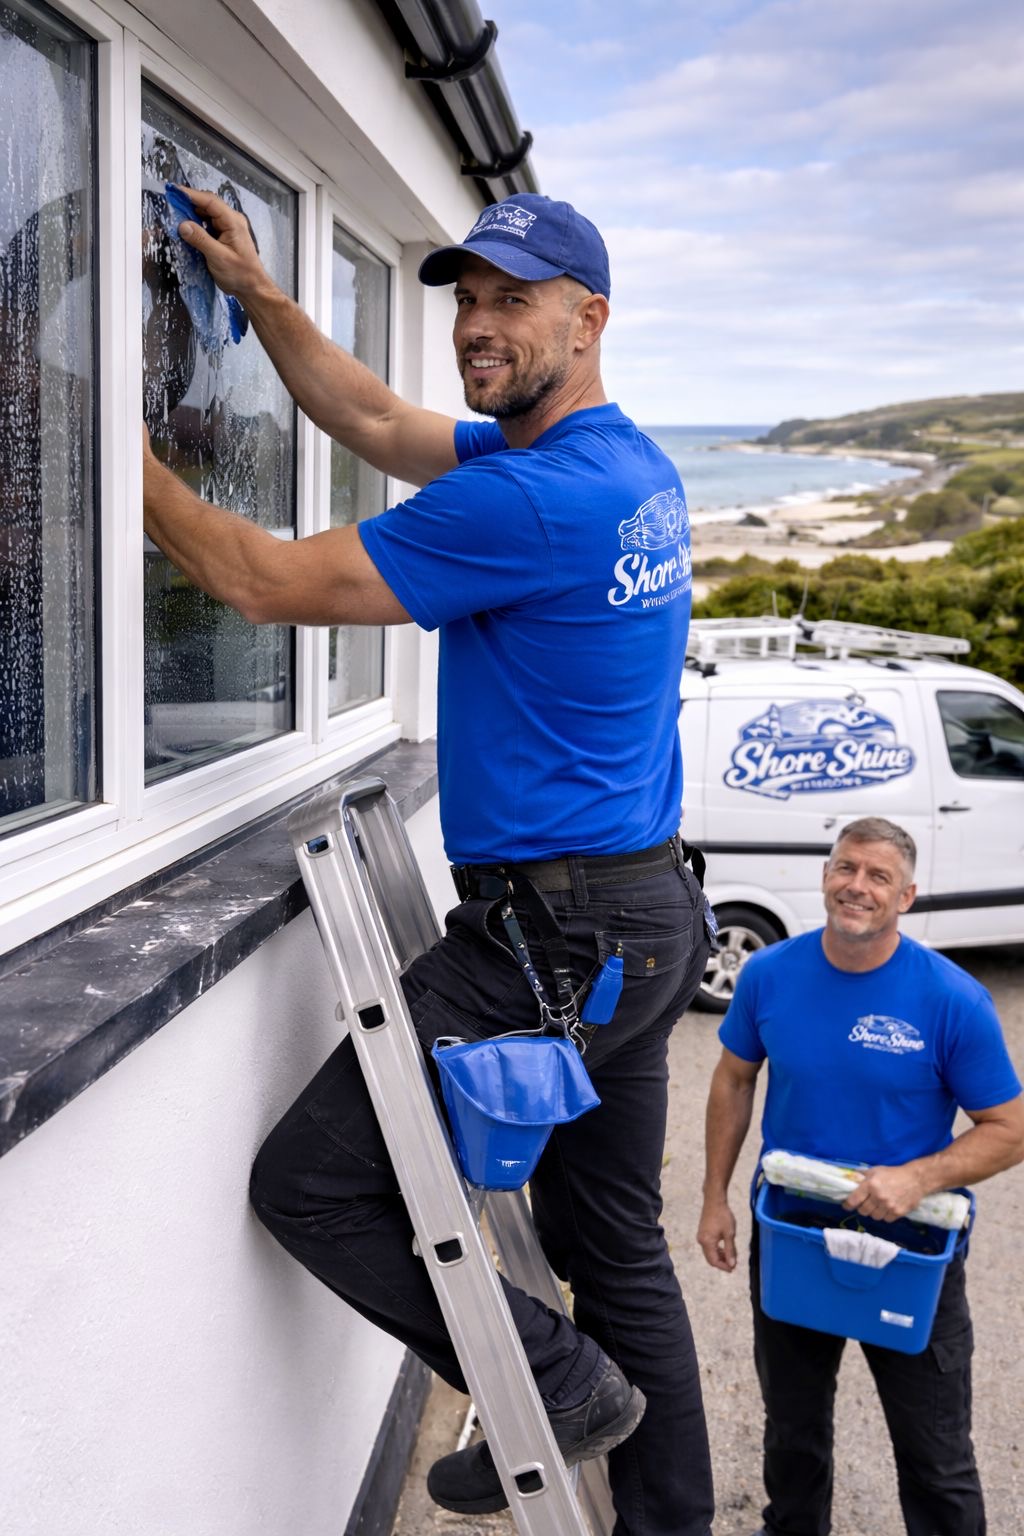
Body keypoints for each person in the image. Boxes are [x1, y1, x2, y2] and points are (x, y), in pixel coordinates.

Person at [142, 189, 715, 1535]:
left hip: (555, 937)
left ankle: (554, 1384)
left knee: (313, 1184)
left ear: (591, 316)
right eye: (466, 297)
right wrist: (270, 298)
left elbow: (266, 584)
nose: (477, 322)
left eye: (513, 299)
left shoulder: (535, 503)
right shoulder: (622, 466)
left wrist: (104, 457)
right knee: (618, 1251)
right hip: (641, 912)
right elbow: (381, 425)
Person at [696, 815, 1024, 1536]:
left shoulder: (951, 1000)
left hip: (908, 1242)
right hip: (793, 1229)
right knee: (792, 1427)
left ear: (907, 897)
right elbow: (733, 1080)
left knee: (934, 1450)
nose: (857, 886)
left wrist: (916, 1178)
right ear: (824, 876)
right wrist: (715, 1198)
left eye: (879, 876)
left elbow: (1011, 1130)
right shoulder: (770, 974)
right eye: (846, 867)